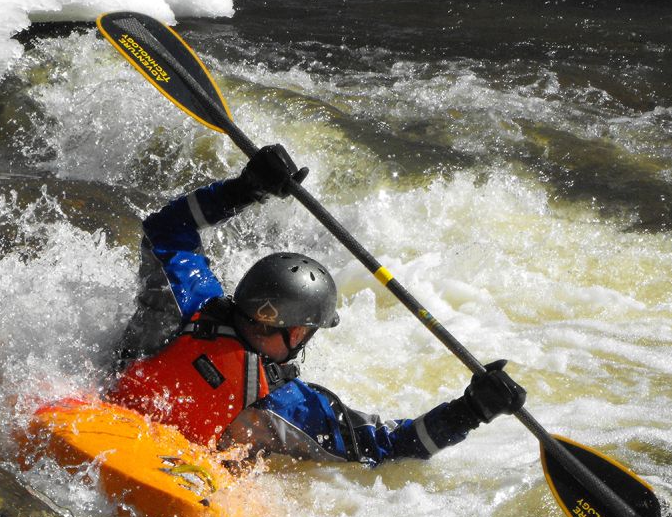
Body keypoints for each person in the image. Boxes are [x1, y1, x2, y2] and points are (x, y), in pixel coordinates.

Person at [106, 144, 526, 465]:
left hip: (107, 417)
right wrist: (471, 411)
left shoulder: (188, 299)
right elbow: (388, 447)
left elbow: (168, 229)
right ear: (294, 330)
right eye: (307, 331)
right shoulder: (286, 405)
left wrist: (245, 189)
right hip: (174, 466)